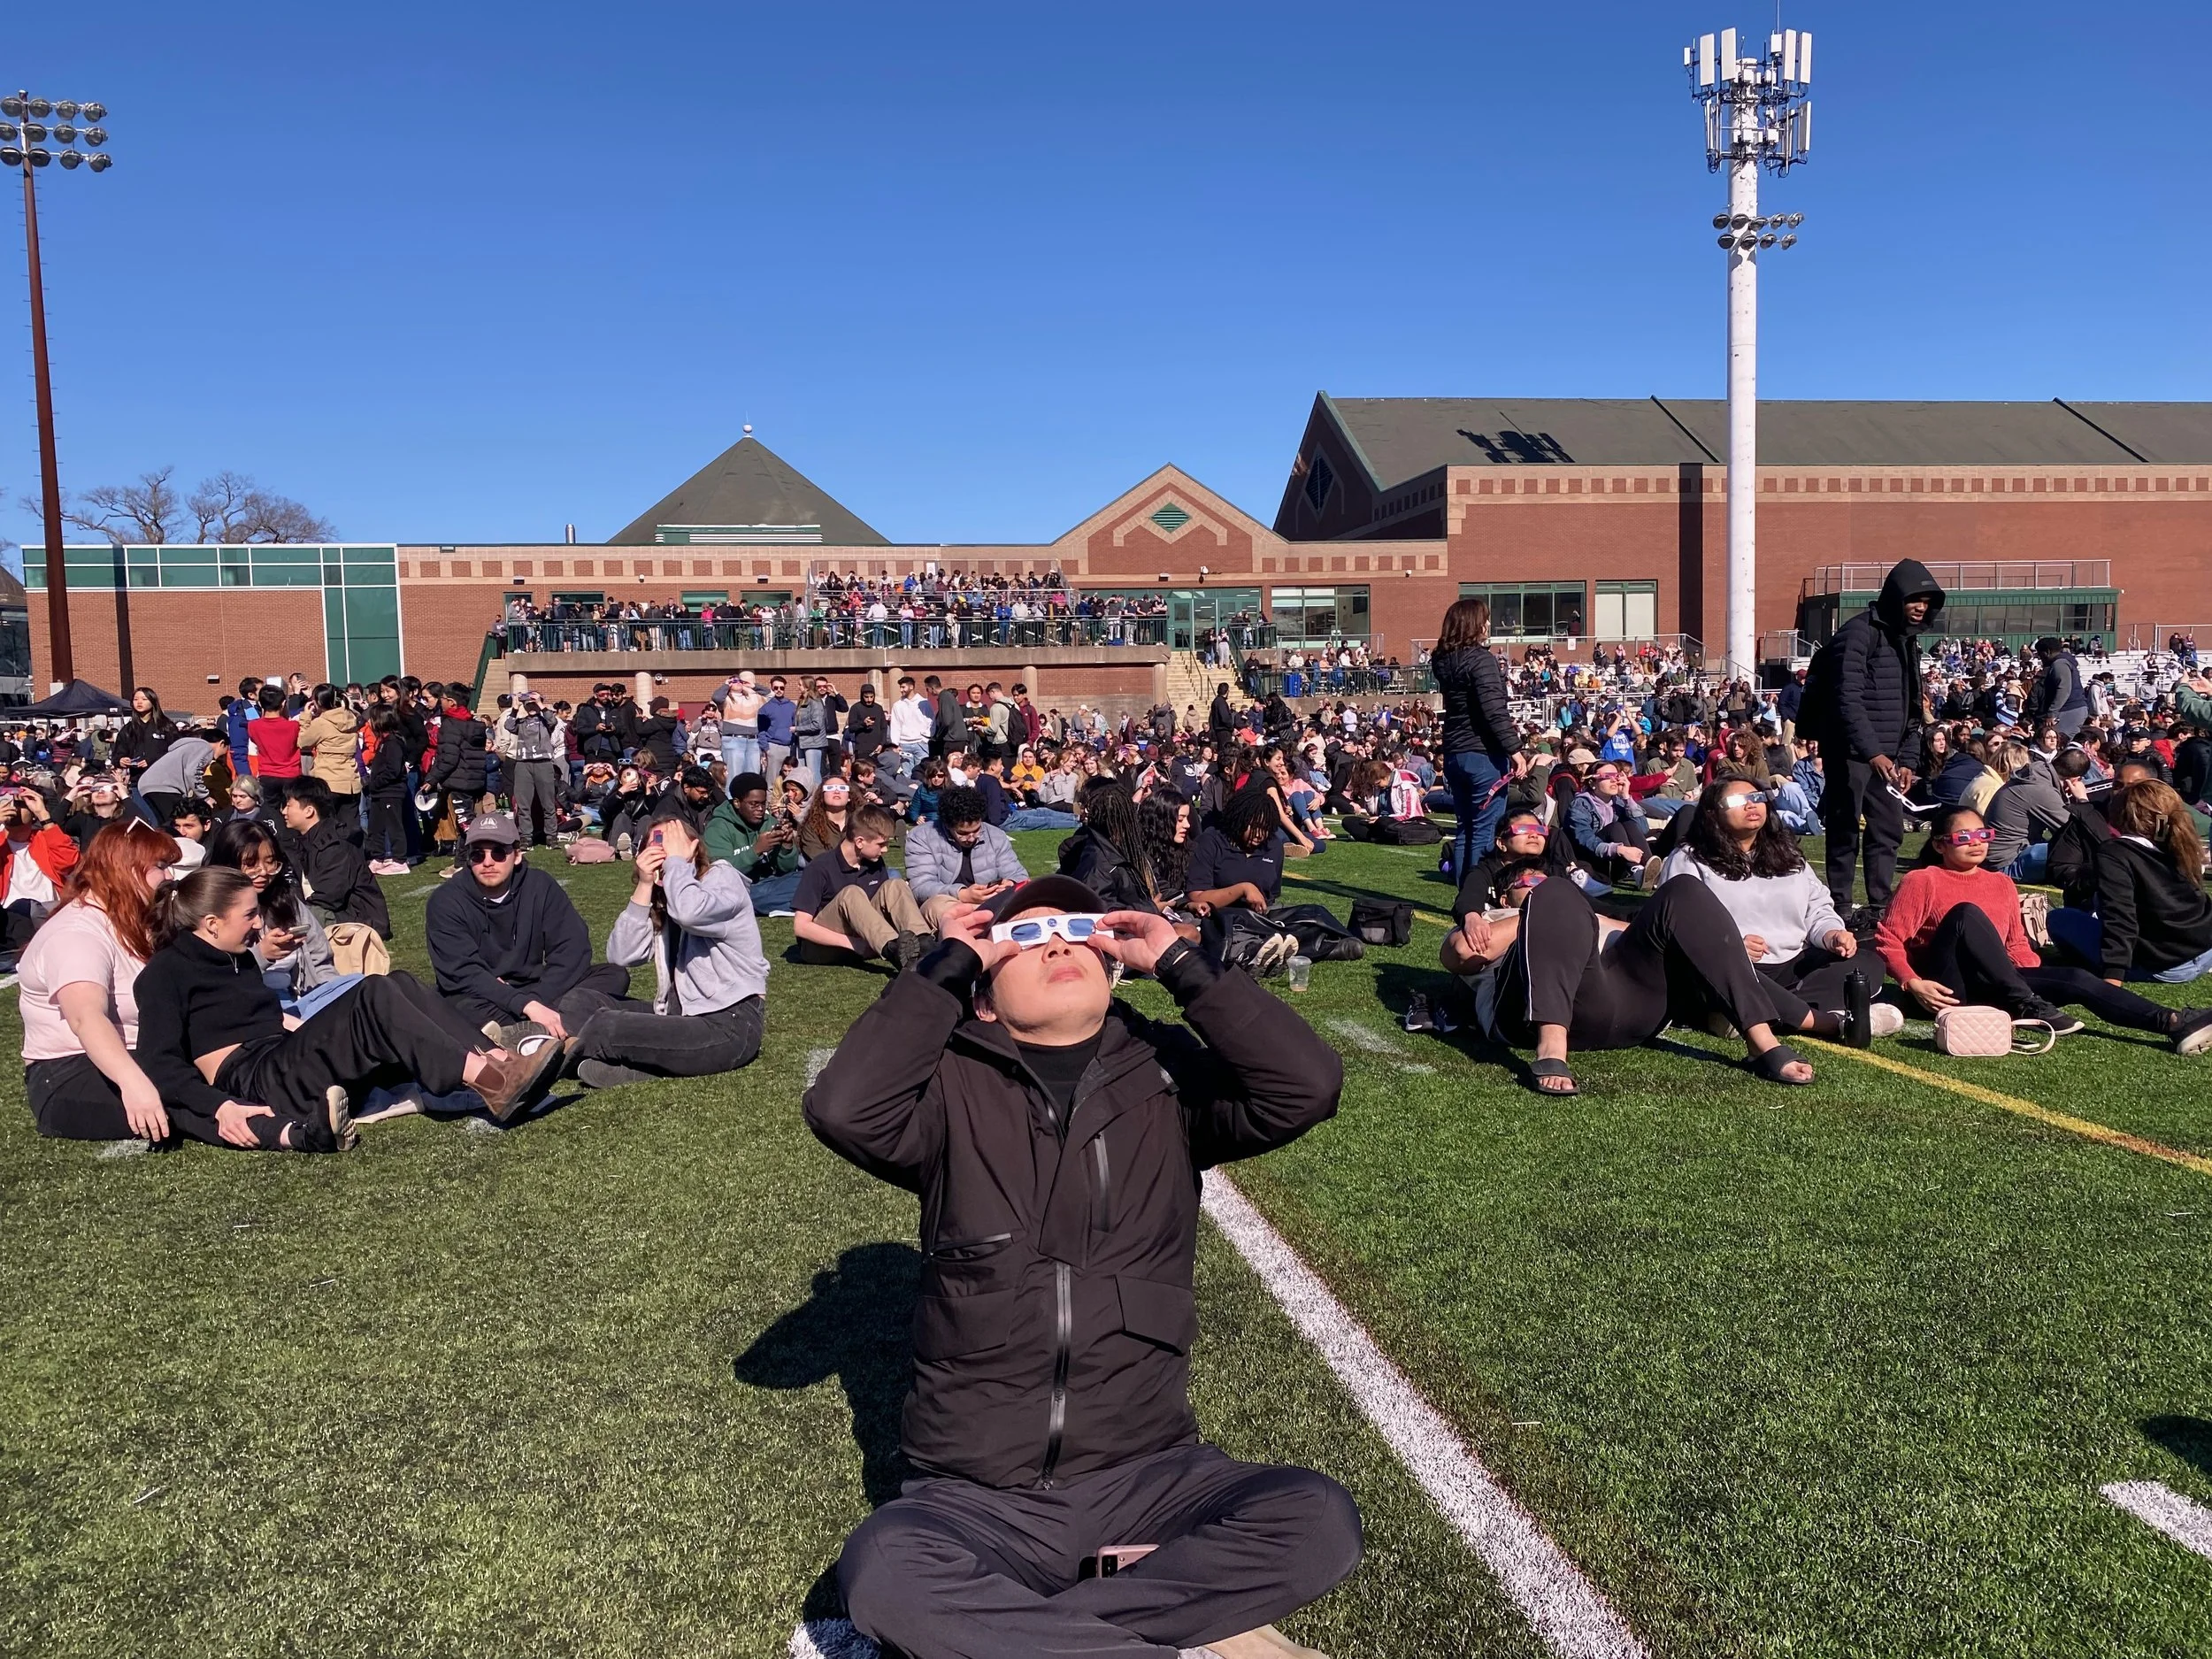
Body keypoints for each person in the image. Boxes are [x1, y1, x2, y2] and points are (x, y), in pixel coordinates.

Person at [804, 876, 1359, 1659]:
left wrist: (1182, 962)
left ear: (1111, 967)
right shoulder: (944, 1090)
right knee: (885, 1571)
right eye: (1024, 938)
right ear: (985, 994)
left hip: (1152, 1472)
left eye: (1071, 927)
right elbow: (843, 1107)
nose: (1058, 942)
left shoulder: (1169, 1077)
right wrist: (945, 964)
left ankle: (1043, 1630)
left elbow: (1307, 1085)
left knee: (1317, 1518)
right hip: (976, 1499)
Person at [134, 866, 565, 1144]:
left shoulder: (238, 961)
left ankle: (496, 1059)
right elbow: (162, 1065)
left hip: (279, 1057)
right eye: (249, 915)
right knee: (371, 996)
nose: (258, 924)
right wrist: (220, 1108)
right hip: (252, 1081)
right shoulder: (165, 973)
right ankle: (492, 1080)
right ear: (211, 923)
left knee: (391, 982)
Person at [1455, 872, 1832, 1095]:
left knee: (1683, 890)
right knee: (1554, 892)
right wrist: (1537, 913)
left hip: (1628, 1005)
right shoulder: (1492, 919)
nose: (1534, 882)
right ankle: (1552, 1045)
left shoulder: (1584, 911)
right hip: (1527, 1014)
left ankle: (1764, 1040)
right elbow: (1457, 954)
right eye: (1526, 881)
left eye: (1537, 877)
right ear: (1505, 895)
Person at [1876, 806, 2212, 1052]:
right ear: (1939, 845)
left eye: (1984, 835)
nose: (1976, 842)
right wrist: (1912, 982)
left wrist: (2041, 976)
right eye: (1964, 836)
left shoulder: (2002, 883)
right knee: (1966, 913)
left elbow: (2016, 944)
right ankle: (2025, 1000)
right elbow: (1888, 939)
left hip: (1997, 984)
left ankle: (2171, 1022)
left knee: (2076, 978)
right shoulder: (1923, 879)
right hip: (1946, 988)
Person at [1658, 776, 1898, 1028]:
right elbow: (1678, 924)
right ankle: (1816, 1019)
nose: (1751, 805)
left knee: (1867, 964)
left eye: (1757, 798)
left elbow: (1817, 908)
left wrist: (1831, 934)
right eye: (1737, 800)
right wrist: (1728, 946)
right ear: (1712, 813)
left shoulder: (1787, 855)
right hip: (1734, 966)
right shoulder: (1689, 859)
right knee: (1715, 978)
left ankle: (1754, 1014)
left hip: (1793, 964)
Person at [563, 813, 769, 1088]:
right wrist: (645, 885)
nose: (664, 852)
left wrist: (675, 865)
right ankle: (641, 1066)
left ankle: (559, 1057)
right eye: (656, 844)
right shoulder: (666, 896)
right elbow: (621, 956)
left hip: (731, 1025)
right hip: (678, 1016)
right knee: (580, 1002)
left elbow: (690, 913)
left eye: (671, 843)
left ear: (694, 849)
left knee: (608, 1026)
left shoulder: (722, 879)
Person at [19, 820, 188, 1142]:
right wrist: (134, 1083)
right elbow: (86, 1016)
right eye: (161, 867)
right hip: (68, 1073)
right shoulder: (77, 932)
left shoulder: (135, 921)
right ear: (125, 869)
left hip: (144, 1053)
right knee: (187, 1097)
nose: (170, 878)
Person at [1800, 559, 1946, 916]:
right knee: (1843, 828)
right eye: (1915, 599)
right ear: (1896, 597)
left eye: (1927, 602)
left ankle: (1880, 903)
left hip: (1889, 757)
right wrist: (1872, 752)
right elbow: (1845, 699)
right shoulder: (1857, 634)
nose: (1921, 608)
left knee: (1888, 829)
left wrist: (1909, 760)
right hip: (1850, 752)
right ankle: (1841, 904)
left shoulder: (1906, 641)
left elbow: (1912, 706)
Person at [423, 811, 631, 1040]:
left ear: (517, 855)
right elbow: (462, 973)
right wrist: (523, 1004)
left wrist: (535, 1000)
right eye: (477, 855)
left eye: (499, 853)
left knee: (614, 975)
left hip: (537, 988)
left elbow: (572, 950)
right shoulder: (446, 901)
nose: (488, 862)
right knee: (454, 1007)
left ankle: (525, 1033)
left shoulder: (540, 886)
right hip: (486, 994)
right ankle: (561, 1025)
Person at [2046, 780, 2212, 986]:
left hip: (2165, 965)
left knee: (2059, 919)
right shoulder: (2180, 842)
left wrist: (2113, 976)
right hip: (2205, 950)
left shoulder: (2115, 853)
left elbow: (2121, 916)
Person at [204, 816, 349, 1018]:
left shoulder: (286, 901)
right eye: (251, 864)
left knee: (359, 987)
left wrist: (330, 992)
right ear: (228, 864)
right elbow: (213, 979)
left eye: (271, 862)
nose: (263, 872)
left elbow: (320, 959)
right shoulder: (209, 913)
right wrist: (260, 955)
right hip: (252, 1010)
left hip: (301, 997)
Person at [1431, 597, 1525, 883]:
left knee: (1465, 830)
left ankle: (1465, 894)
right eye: (1484, 620)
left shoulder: (1443, 661)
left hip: (1455, 752)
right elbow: (1493, 710)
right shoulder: (1481, 660)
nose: (1488, 625)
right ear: (1475, 624)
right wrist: (1515, 750)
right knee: (1484, 831)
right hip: (1482, 754)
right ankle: (1476, 897)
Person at [791, 803, 933, 970]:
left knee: (895, 885)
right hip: (820, 946)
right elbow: (801, 927)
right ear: (859, 842)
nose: (886, 850)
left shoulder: (874, 862)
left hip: (864, 935)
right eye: (881, 844)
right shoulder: (820, 867)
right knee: (852, 893)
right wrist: (854, 944)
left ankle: (925, 945)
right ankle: (893, 951)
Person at [280, 776, 392, 938]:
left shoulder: (334, 845)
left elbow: (329, 897)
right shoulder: (308, 840)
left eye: (289, 805)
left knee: (295, 919)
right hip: (339, 914)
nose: (283, 811)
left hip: (361, 922)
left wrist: (295, 910)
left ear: (309, 811)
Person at [904, 785, 1025, 924]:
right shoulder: (922, 836)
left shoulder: (995, 835)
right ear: (947, 825)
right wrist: (963, 894)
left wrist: (1010, 884)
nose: (972, 837)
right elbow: (921, 887)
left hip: (991, 903)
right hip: (949, 904)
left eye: (977, 830)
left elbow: (1019, 875)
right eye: (963, 833)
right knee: (937, 907)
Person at [0, 781, 79, 957]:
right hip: (6, 918)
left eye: (21, 804)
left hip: (48, 914)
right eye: (5, 800)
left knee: (30, 908)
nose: (12, 807)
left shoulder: (46, 838)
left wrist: (44, 815)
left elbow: (69, 863)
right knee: (21, 909)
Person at [1184, 787, 1286, 917]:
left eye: (1266, 829)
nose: (1260, 834)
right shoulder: (1210, 842)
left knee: (1314, 916)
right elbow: (1196, 897)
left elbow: (1272, 897)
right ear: (1239, 820)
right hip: (1220, 916)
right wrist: (1243, 889)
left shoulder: (1274, 846)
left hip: (1261, 915)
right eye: (1255, 827)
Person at [424, 681, 489, 851]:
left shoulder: (451, 725)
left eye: (443, 699)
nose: (441, 702)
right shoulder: (475, 725)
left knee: (465, 822)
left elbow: (448, 758)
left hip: (459, 781)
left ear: (452, 702)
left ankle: (482, 851)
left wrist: (432, 778)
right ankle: (462, 862)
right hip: (475, 780)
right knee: (464, 824)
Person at [1565, 762, 1651, 884]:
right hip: (1592, 859)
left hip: (1616, 860)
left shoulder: (1619, 802)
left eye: (1616, 776)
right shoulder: (1581, 804)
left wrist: (1627, 798)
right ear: (1592, 782)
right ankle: (1637, 869)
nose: (1614, 781)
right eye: (1607, 776)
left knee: (1629, 824)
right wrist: (1619, 850)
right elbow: (1584, 838)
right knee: (1615, 827)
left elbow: (1643, 829)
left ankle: (1648, 870)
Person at [501, 690, 565, 848]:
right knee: (523, 804)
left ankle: (551, 837)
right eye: (528, 704)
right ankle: (526, 838)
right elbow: (508, 725)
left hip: (543, 763)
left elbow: (553, 721)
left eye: (533, 703)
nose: (531, 707)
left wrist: (540, 704)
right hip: (523, 764)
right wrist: (515, 708)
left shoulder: (545, 721)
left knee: (548, 803)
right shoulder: (521, 723)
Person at [136, 719, 216, 826]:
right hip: (165, 787)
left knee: (165, 825)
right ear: (222, 743)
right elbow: (192, 772)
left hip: (147, 785)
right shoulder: (205, 748)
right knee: (179, 822)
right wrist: (205, 796)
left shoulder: (183, 748)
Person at [297, 684, 364, 808]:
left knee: (328, 824)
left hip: (328, 781)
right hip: (350, 781)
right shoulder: (352, 718)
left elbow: (303, 743)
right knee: (350, 824)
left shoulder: (321, 723)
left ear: (318, 702)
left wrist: (306, 719)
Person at [363, 707, 412, 873]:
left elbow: (393, 770)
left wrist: (375, 782)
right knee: (375, 827)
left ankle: (400, 860)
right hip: (379, 792)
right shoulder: (383, 742)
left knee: (394, 826)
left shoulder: (393, 743)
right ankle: (378, 857)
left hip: (390, 791)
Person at [2023, 635, 2090, 740]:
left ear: (2047, 652)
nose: (2041, 658)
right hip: (2073, 709)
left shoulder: (2059, 664)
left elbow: (2063, 689)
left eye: (2041, 654)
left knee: (2057, 743)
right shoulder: (2063, 662)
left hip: (2068, 709)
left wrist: (2051, 713)